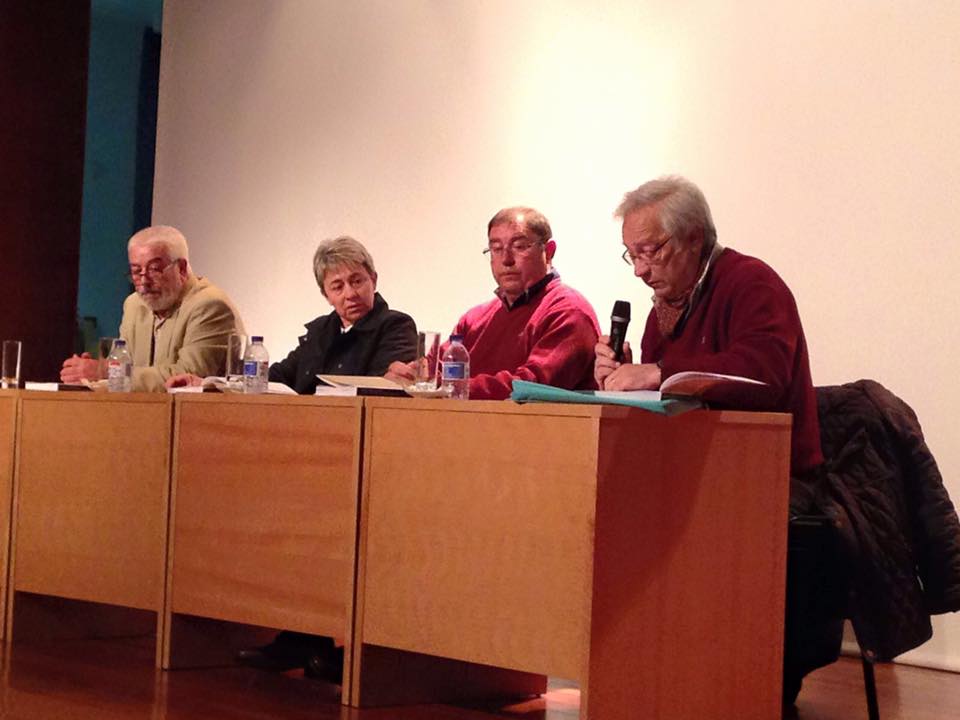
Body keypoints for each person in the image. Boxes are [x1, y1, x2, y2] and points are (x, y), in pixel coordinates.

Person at [168, 235, 416, 684]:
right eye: (337, 285)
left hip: (361, 462)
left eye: (357, 281)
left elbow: (384, 388)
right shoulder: (320, 331)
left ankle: (332, 645)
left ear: (374, 281)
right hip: (309, 459)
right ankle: (301, 636)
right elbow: (276, 377)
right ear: (325, 293)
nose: (350, 293)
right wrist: (209, 381)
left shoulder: (395, 326)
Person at [594, 176, 823, 477]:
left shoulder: (752, 283)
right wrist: (623, 380)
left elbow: (762, 375)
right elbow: (669, 403)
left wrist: (658, 373)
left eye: (650, 251)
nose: (639, 270)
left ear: (694, 237)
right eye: (632, 255)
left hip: (771, 475)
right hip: (691, 468)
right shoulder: (662, 311)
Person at [385, 206, 599, 398]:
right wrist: (410, 374)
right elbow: (432, 368)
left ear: (549, 252)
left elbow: (532, 387)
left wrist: (446, 387)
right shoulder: (474, 319)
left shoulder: (568, 311)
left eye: (520, 246)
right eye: (496, 248)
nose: (506, 259)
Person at [60, 226, 243, 392]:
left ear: (181, 268)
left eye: (154, 269)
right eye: (136, 271)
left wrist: (105, 371)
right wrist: (89, 373)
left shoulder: (210, 305)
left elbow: (187, 377)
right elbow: (124, 366)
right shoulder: (134, 305)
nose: (144, 282)